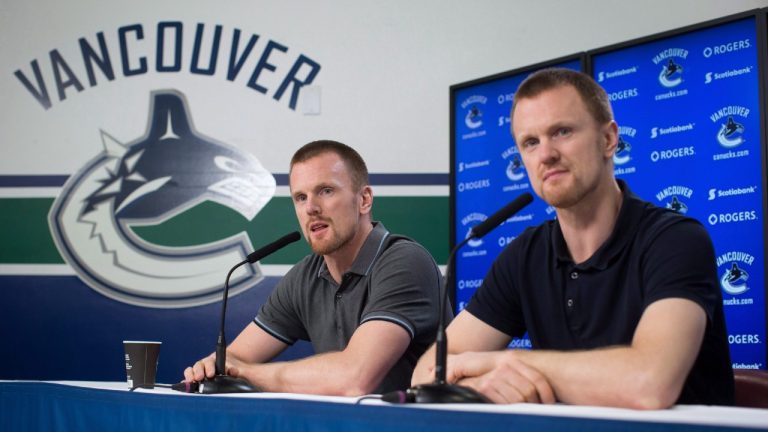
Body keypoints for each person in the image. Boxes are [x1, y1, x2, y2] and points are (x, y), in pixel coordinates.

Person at [412, 68, 734, 409]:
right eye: (530, 142)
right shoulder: (524, 255)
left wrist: (509, 365)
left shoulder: (675, 240)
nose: (546, 154)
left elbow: (649, 383)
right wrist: (486, 382)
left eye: (562, 132)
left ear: (609, 139)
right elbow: (426, 372)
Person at [185, 140, 446, 395]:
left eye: (326, 191)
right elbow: (234, 358)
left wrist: (245, 373)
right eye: (300, 197)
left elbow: (354, 378)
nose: (311, 208)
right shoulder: (305, 276)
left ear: (364, 199)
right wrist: (211, 368)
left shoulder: (405, 262)